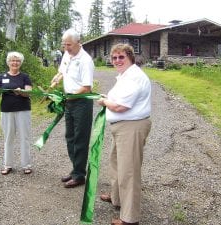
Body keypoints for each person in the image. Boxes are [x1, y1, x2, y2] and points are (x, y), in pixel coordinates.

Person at [97, 43, 152, 225]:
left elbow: (121, 106)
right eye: (114, 57)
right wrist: (109, 99)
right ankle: (117, 198)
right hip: (122, 128)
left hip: (131, 127)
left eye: (122, 57)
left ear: (130, 57)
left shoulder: (133, 77)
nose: (117, 60)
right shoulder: (125, 76)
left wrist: (105, 102)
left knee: (129, 171)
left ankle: (130, 218)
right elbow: (119, 100)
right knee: (117, 164)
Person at [51, 28, 94, 188]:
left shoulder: (85, 60)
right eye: (64, 45)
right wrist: (56, 79)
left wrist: (70, 96)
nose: (66, 48)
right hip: (68, 101)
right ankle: (76, 169)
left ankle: (79, 175)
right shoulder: (67, 55)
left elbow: (87, 88)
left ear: (78, 43)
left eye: (68, 44)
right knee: (70, 137)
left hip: (81, 102)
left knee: (80, 139)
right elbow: (61, 71)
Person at [0, 51, 33, 175]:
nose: (15, 62)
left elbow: (29, 93)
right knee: (8, 138)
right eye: (13, 60)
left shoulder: (24, 77)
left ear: (20, 63)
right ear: (8, 62)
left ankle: (26, 165)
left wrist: (21, 92)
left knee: (24, 137)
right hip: (6, 110)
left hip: (23, 110)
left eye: (17, 61)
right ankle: (7, 165)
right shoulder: (1, 77)